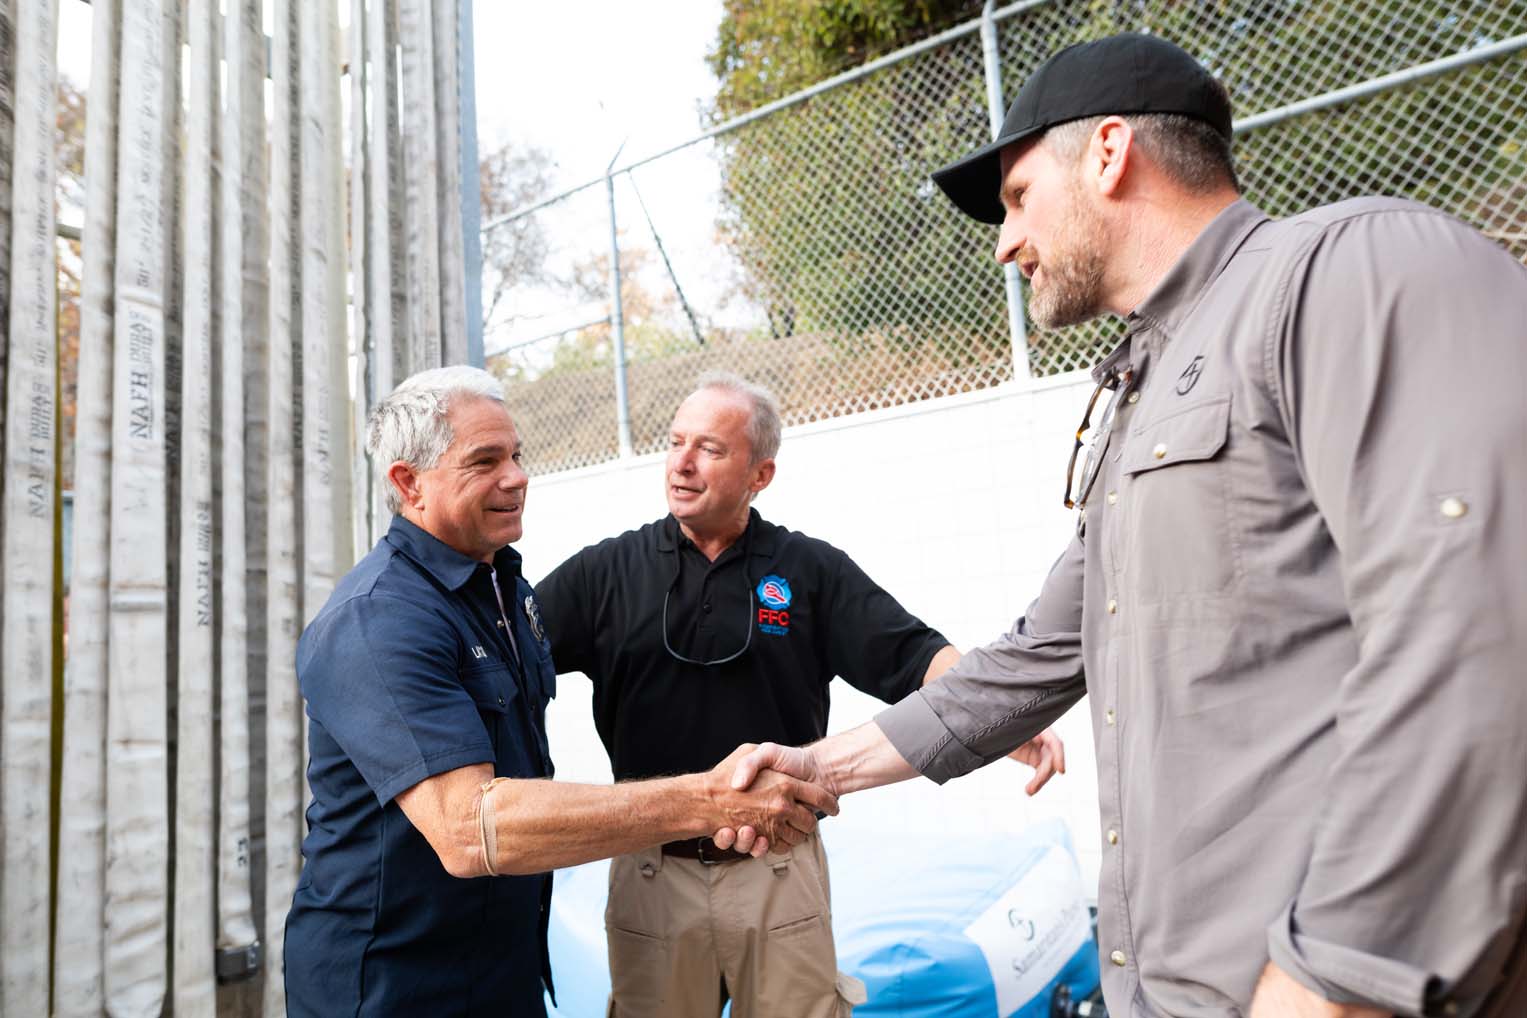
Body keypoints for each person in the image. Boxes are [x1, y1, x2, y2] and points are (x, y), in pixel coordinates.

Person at [723, 32, 1527, 1018]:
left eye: (1018, 199)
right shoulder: (1140, 393)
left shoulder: (1347, 269)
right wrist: (817, 766)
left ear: (1109, 153)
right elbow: (1029, 659)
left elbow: (1479, 630)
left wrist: (1334, 976)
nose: (1005, 242)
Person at [284, 366, 837, 1018]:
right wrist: (710, 800)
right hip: (393, 985)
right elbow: (470, 830)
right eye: (485, 461)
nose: (516, 476)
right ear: (409, 483)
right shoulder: (378, 620)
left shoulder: (504, 593)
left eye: (516, 454)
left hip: (501, 967)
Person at [532, 371, 1066, 1018]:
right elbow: (508, 657)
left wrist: (1002, 713)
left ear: (760, 475)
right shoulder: (606, 571)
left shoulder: (807, 570)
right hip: (653, 871)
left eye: (709, 448)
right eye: (675, 442)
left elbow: (911, 653)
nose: (681, 462)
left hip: (777, 869)